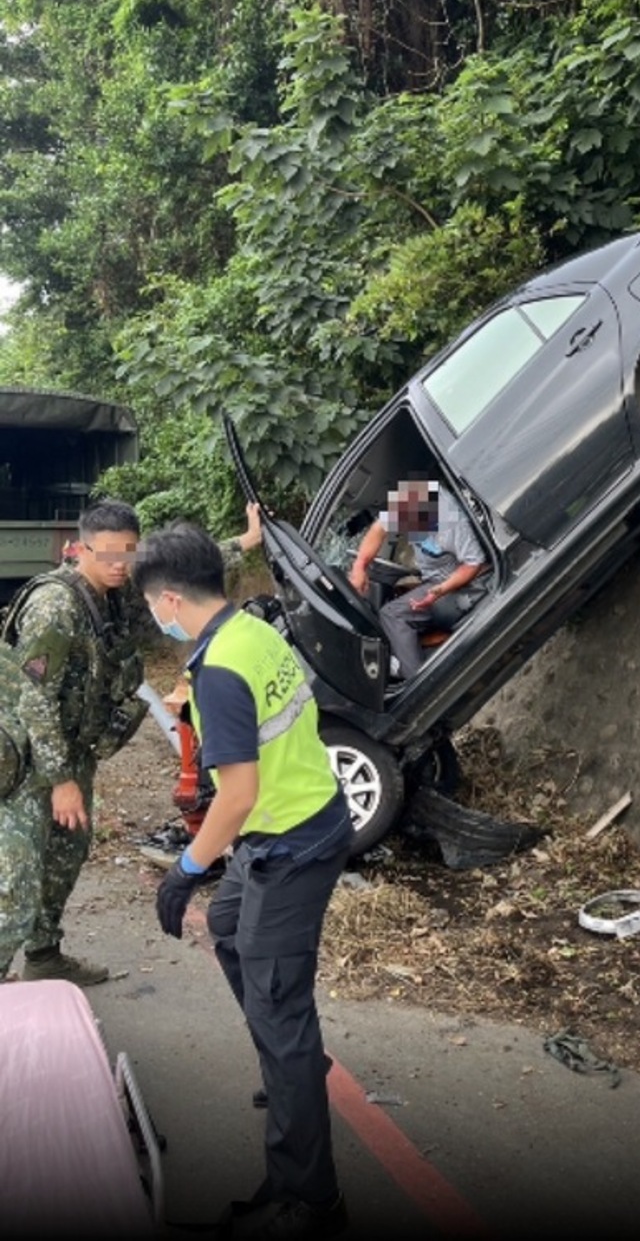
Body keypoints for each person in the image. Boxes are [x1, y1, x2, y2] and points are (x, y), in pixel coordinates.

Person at [132, 522, 352, 1241]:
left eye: (150, 606)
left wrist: (186, 871)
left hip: (290, 842)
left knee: (280, 1003)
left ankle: (308, 1198)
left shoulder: (221, 668)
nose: (151, 618)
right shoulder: (248, 629)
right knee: (230, 930)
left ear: (168, 598)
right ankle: (289, 1057)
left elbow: (237, 795)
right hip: (291, 826)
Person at [0, 498, 154, 987]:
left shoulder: (115, 591)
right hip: (27, 762)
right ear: (78, 549)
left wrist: (246, 542)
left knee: (65, 856)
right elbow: (32, 702)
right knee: (15, 885)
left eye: (126, 554)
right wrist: (60, 780)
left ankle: (45, 957)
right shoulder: (55, 607)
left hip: (71, 749)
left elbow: (181, 563)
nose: (117, 565)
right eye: (106, 554)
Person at [348, 477, 489, 679]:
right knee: (398, 596)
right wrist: (360, 565)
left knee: (391, 614)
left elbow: (474, 564)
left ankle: (417, 680)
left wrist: (438, 591)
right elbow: (379, 529)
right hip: (432, 579)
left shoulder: (452, 525)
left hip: (456, 584)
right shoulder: (413, 498)